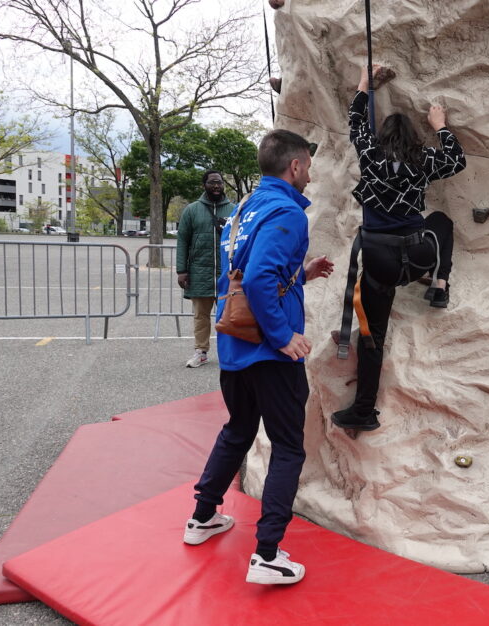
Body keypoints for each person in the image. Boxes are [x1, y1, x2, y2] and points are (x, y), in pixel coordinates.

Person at [182, 129, 333, 586]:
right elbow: (261, 277)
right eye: (308, 164)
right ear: (295, 167)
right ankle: (267, 553)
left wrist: (300, 274)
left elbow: (252, 270)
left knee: (239, 430)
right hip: (269, 353)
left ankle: (203, 516)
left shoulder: (246, 207)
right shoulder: (287, 211)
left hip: (235, 346)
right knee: (288, 446)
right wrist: (283, 335)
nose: (310, 172)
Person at [332, 64, 467, 433]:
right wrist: (440, 125)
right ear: (412, 140)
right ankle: (439, 284)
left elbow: (356, 123)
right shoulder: (421, 161)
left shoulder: (371, 157)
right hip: (417, 254)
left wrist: (364, 84)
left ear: (383, 138)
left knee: (372, 336)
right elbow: (457, 160)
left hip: (379, 260)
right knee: (441, 222)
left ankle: (363, 410)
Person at [176, 171, 236, 368]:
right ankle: (200, 351)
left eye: (219, 182)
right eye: (212, 182)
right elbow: (183, 240)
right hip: (199, 271)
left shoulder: (235, 210)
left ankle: (230, 353)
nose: (216, 186)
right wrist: (181, 270)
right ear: (204, 185)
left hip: (227, 274)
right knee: (201, 316)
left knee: (230, 315)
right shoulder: (192, 210)